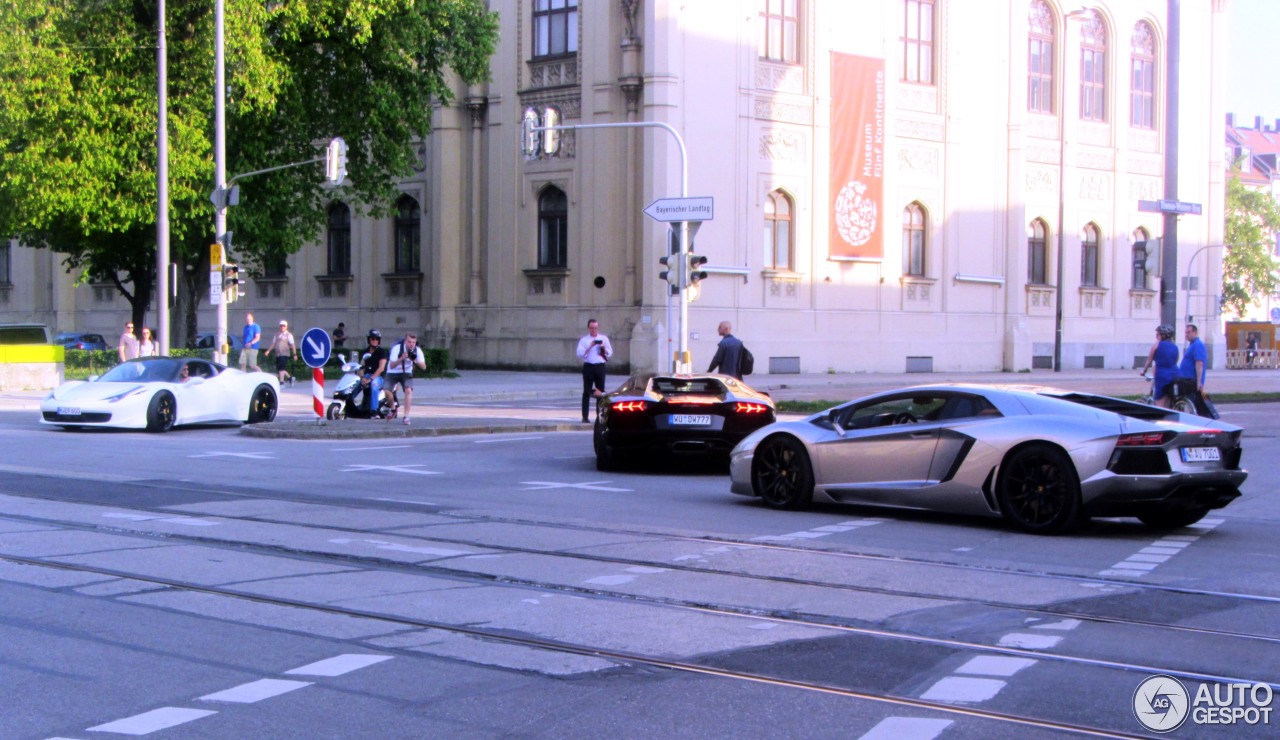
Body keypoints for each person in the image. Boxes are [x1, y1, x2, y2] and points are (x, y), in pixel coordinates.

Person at [575, 318, 612, 423]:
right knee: (586, 391)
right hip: (588, 367)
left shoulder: (603, 338)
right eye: (592, 328)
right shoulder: (584, 340)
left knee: (600, 393)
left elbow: (610, 352)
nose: (594, 330)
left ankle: (599, 417)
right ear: (588, 328)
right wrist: (590, 346)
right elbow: (580, 354)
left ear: (598, 328)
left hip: (600, 367)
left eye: (595, 328)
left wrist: (603, 348)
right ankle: (585, 417)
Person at [386, 333, 427, 425]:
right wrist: (401, 358)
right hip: (393, 372)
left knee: (408, 390)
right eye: (409, 342)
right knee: (386, 390)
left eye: (413, 342)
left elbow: (424, 367)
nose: (411, 344)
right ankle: (393, 409)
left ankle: (406, 416)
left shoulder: (417, 351)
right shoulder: (397, 348)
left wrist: (415, 360)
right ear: (405, 341)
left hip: (406, 373)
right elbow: (392, 365)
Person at [1139, 324, 1179, 407]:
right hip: (1176, 374)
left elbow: (1149, 360)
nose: (1156, 336)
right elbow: (1175, 361)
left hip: (1162, 375)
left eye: (1157, 334)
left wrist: (1144, 371)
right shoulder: (1175, 347)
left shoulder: (1157, 345)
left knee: (1160, 402)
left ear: (1163, 335)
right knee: (1169, 400)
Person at [1175, 323, 1210, 415]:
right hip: (1186, 381)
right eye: (1186, 333)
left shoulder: (1198, 345)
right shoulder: (1192, 345)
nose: (1186, 334)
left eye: (1189, 332)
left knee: (1193, 402)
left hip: (1192, 381)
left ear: (1195, 332)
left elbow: (1199, 363)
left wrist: (1199, 382)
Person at [358, 329, 389, 416]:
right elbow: (361, 366)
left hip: (379, 377)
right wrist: (362, 377)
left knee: (374, 385)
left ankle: (374, 411)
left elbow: (381, 368)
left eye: (377, 339)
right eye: (373, 339)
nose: (375, 341)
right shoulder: (364, 352)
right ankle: (347, 405)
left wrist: (370, 379)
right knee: (355, 383)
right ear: (369, 340)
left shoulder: (382, 352)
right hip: (367, 375)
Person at [265, 320, 297, 386]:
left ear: (286, 327)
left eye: (284, 326)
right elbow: (273, 344)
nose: (282, 327)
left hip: (285, 354)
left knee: (281, 368)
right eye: (281, 326)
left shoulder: (289, 335)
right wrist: (268, 351)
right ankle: (290, 378)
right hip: (278, 354)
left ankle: (281, 383)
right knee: (280, 369)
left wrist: (294, 354)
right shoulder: (277, 335)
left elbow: (293, 345)